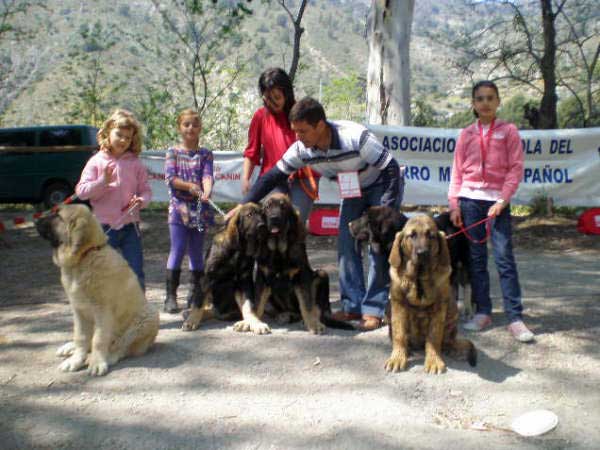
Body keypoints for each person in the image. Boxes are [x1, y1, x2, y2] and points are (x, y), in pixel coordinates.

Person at [228, 97, 405, 331]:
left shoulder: (356, 136)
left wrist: (387, 208)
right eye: (295, 132)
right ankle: (352, 305)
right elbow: (272, 176)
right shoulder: (302, 149)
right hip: (353, 188)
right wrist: (243, 205)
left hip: (381, 183)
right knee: (346, 241)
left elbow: (391, 168)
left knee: (377, 246)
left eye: (302, 131)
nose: (298, 137)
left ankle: (373, 310)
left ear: (320, 125)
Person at [448, 80, 534, 343]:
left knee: (504, 258)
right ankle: (483, 312)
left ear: (498, 102)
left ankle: (515, 317)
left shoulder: (509, 131)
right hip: (470, 202)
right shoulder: (466, 134)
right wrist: (455, 205)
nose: (485, 102)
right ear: (473, 104)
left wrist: (503, 200)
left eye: (490, 98)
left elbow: (515, 169)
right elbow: (457, 171)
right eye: (480, 98)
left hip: (497, 204)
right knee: (476, 260)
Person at [76, 109, 152, 290]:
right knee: (103, 273)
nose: (123, 141)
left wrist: (140, 201)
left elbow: (146, 191)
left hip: (130, 227)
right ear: (107, 132)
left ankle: (139, 312)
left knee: (135, 270)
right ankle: (106, 313)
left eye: (128, 137)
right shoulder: (96, 161)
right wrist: (102, 181)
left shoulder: (135, 163)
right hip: (103, 228)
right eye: (119, 135)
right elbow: (81, 191)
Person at [242, 67, 318, 225]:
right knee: (273, 222)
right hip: (272, 179)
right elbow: (251, 152)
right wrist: (245, 178)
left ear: (287, 93)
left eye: (276, 97)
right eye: (267, 98)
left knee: (295, 225)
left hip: (302, 179)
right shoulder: (260, 116)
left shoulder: (302, 112)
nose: (272, 102)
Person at [163, 109, 214, 314]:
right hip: (178, 208)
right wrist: (189, 187)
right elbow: (171, 179)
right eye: (186, 124)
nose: (190, 128)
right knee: (178, 249)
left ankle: (194, 295)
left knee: (196, 251)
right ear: (179, 128)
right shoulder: (172, 152)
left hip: (200, 209)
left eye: (194, 124)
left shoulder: (206, 154)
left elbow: (208, 176)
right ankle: (170, 296)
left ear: (200, 128)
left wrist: (207, 191)